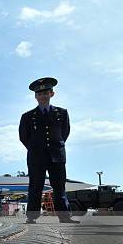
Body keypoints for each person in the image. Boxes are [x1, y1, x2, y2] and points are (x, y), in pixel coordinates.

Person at [18, 77, 79, 224]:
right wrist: (34, 148)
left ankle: (64, 217)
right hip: (36, 156)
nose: (42, 96)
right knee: (35, 186)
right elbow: (23, 137)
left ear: (52, 94)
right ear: (35, 96)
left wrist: (56, 145)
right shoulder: (27, 116)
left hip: (56, 155)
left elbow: (64, 132)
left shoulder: (62, 113)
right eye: (39, 94)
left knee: (59, 186)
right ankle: (31, 217)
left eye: (45, 93)